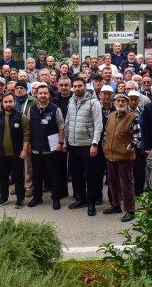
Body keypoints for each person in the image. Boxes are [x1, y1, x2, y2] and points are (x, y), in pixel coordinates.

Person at [65, 77, 104, 216]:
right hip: (73, 144)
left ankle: (91, 203)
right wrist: (65, 141)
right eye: (74, 86)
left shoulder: (94, 103)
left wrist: (95, 143)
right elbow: (68, 121)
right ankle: (80, 199)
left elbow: (98, 124)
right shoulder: (71, 101)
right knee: (77, 175)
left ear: (85, 87)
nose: (77, 88)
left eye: (79, 86)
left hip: (88, 145)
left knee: (90, 176)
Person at [102, 93, 141, 222]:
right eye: (118, 101)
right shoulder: (111, 116)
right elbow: (105, 134)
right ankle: (116, 205)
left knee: (126, 185)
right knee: (112, 183)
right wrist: (105, 146)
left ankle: (130, 210)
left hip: (125, 158)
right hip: (110, 156)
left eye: (123, 101)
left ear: (127, 103)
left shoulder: (132, 117)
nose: (120, 103)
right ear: (114, 103)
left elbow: (137, 140)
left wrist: (126, 151)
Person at [27, 85, 66, 209]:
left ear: (49, 95)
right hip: (36, 148)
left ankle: (56, 198)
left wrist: (60, 143)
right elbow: (28, 128)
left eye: (45, 93)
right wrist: (28, 144)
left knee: (53, 175)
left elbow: (61, 126)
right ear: (36, 95)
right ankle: (37, 197)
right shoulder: (32, 109)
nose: (43, 95)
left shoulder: (55, 109)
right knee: (36, 175)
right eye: (40, 93)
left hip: (52, 149)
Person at [0, 93, 30, 208]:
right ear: (2, 103)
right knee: (3, 177)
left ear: (14, 102)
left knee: (18, 177)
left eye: (10, 101)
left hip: (17, 154)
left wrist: (24, 150)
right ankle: (3, 198)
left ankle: (20, 199)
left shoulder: (21, 117)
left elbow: (26, 134)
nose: (8, 104)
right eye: (6, 102)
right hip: (1, 154)